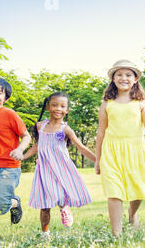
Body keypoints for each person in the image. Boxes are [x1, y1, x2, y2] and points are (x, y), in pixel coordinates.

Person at [95, 59, 145, 236]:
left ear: (135, 79)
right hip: (111, 151)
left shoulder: (141, 102)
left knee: (138, 189)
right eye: (119, 74)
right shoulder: (107, 103)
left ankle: (132, 213)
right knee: (114, 191)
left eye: (128, 74)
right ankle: (117, 235)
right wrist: (98, 159)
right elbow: (100, 132)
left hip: (135, 150)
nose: (124, 78)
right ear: (113, 79)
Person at [23, 92, 96, 237]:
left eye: (62, 106)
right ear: (48, 107)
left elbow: (81, 147)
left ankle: (64, 207)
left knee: (60, 194)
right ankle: (45, 234)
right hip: (44, 169)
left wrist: (98, 160)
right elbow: (38, 145)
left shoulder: (65, 129)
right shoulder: (40, 126)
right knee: (45, 204)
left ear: (67, 110)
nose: (58, 108)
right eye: (54, 105)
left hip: (61, 167)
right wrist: (22, 157)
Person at [0, 78, 31, 243]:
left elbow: (26, 136)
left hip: (8, 167)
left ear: (6, 98)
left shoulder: (10, 114)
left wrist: (19, 149)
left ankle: (14, 203)